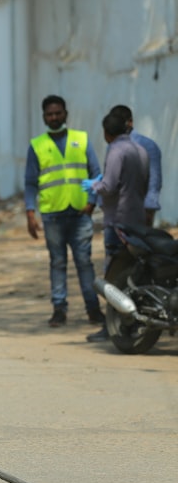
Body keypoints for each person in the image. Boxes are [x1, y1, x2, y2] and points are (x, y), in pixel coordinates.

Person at [24, 95, 103, 328]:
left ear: (66, 114)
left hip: (80, 213)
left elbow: (95, 173)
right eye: (50, 114)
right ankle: (59, 310)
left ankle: (93, 309)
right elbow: (30, 182)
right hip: (52, 215)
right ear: (44, 117)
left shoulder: (82, 139)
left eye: (58, 113)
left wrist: (92, 202)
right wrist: (30, 212)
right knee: (57, 263)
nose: (54, 117)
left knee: (84, 263)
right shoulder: (36, 145)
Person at [81, 109, 149, 342]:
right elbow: (143, 184)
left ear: (106, 133)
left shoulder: (115, 151)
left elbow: (109, 186)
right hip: (138, 218)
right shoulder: (141, 150)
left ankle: (112, 326)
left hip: (117, 220)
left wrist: (94, 186)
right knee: (136, 273)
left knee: (114, 275)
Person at [107, 104, 162, 226]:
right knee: (114, 245)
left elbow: (154, 180)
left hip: (139, 210)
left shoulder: (147, 145)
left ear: (130, 122)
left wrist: (149, 208)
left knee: (138, 244)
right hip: (116, 211)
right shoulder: (111, 146)